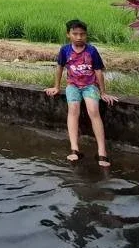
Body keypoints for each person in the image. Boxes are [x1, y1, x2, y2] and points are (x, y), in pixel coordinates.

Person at [45, 19, 118, 167]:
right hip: (73, 86)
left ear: (86, 35)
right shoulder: (65, 50)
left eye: (82, 34)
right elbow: (59, 68)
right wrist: (57, 87)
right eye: (75, 34)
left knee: (93, 110)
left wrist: (103, 92)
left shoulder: (91, 50)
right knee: (73, 110)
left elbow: (98, 71)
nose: (79, 37)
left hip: (90, 86)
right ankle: (74, 149)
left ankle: (102, 152)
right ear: (68, 35)